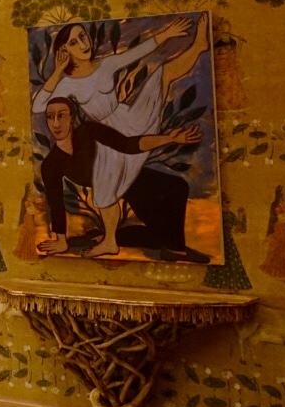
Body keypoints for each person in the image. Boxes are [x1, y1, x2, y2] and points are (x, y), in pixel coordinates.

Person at [32, 15, 210, 256]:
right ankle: (110, 240)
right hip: (106, 134)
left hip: (128, 119)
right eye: (74, 42)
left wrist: (166, 35)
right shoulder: (65, 84)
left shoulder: (105, 65)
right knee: (106, 188)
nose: (83, 44)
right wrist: (58, 71)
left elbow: (135, 53)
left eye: (83, 36)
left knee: (162, 75)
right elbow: (38, 106)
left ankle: (198, 47)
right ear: (65, 51)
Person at [37, 95, 210, 263]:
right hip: (125, 190)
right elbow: (56, 203)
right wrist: (61, 241)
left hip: (131, 175)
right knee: (162, 229)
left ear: (72, 118)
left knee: (178, 187)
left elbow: (127, 145)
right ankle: (175, 251)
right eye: (50, 117)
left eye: (61, 116)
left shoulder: (87, 131)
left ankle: (102, 238)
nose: (56, 123)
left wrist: (171, 139)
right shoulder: (51, 164)